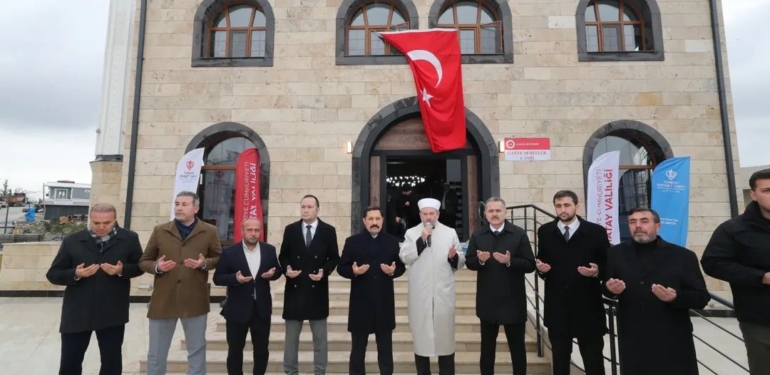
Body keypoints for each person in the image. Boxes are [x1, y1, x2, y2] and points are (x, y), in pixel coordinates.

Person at [604, 207, 710, 375]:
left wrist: (675, 297)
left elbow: (701, 297)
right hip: (633, 337)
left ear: (658, 226)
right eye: (633, 222)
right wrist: (610, 290)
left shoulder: (683, 256)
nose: (638, 225)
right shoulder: (615, 253)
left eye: (644, 221)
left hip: (672, 337)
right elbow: (608, 288)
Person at [46, 203, 144, 375]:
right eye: (96, 223)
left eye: (107, 223)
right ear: (90, 220)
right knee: (70, 363)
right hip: (77, 312)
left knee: (111, 363)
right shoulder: (72, 240)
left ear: (115, 220)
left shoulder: (130, 239)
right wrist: (75, 274)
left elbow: (140, 266)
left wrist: (122, 270)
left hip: (112, 311)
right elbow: (53, 274)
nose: (101, 227)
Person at [139, 191, 222, 375]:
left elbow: (218, 258)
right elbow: (144, 261)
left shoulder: (209, 231)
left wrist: (204, 264)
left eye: (184, 204)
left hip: (194, 299)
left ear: (196, 208)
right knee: (156, 353)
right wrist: (157, 267)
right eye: (177, 203)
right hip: (163, 300)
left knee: (197, 351)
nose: (179, 207)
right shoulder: (160, 230)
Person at [701, 168, 770, 375]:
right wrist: (761, 277)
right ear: (754, 195)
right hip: (760, 319)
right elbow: (712, 262)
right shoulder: (732, 229)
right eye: (767, 190)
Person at [535, 190, 609, 375]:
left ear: (577, 206)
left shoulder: (596, 232)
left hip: (588, 307)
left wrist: (597, 271)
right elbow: (542, 261)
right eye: (558, 206)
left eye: (567, 205)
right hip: (558, 308)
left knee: (593, 361)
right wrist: (541, 270)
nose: (563, 210)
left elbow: (608, 264)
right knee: (559, 361)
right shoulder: (545, 231)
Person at [465, 197, 535, 375]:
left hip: (513, 301)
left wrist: (510, 261)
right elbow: (470, 262)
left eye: (498, 211)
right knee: (487, 349)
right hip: (488, 302)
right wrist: (479, 261)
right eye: (490, 211)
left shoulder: (518, 234)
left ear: (505, 213)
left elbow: (530, 264)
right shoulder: (478, 235)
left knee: (517, 348)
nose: (494, 214)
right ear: (485, 214)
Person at [337, 206, 406, 375]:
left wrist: (393, 272)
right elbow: (341, 268)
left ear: (382, 221)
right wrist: (354, 271)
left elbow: (401, 267)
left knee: (385, 352)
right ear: (364, 221)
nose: (374, 223)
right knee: (358, 352)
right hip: (360, 304)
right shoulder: (352, 241)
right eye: (370, 219)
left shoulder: (392, 241)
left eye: (377, 219)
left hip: (384, 304)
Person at [400, 197, 465, 375]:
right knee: (422, 342)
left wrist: (453, 257)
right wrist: (421, 240)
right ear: (420, 215)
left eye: (432, 213)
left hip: (443, 293)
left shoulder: (450, 232)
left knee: (445, 341)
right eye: (425, 214)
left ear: (438, 214)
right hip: (420, 295)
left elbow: (460, 261)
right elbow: (405, 256)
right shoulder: (412, 233)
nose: (428, 217)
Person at [278, 194, 340, 375]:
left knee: (320, 339)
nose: (305, 210)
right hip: (295, 290)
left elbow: (334, 257)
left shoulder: (328, 231)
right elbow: (283, 255)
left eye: (309, 207)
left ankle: (320, 372)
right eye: (303, 206)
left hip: (317, 291)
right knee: (291, 341)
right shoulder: (291, 229)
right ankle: (290, 372)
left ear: (317, 209)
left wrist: (324, 271)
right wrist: (287, 268)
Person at [213, 217, 282, 375]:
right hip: (237, 310)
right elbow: (217, 278)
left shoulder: (269, 250)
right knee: (235, 351)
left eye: (256, 230)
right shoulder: (230, 252)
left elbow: (277, 271)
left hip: (262, 310)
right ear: (242, 231)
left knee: (261, 351)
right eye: (250, 230)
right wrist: (234, 279)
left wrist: (272, 274)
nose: (253, 233)